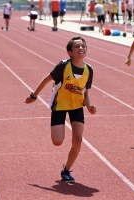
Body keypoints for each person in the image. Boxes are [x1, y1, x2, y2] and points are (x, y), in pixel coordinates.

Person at [24, 36, 96, 183]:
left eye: (83, 46)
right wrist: (34, 95)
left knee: (78, 139)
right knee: (57, 141)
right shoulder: (63, 66)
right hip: (60, 105)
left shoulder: (89, 70)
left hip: (77, 106)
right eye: (77, 47)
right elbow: (46, 80)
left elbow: (86, 93)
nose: (81, 48)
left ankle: (66, 170)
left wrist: (89, 106)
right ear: (70, 52)